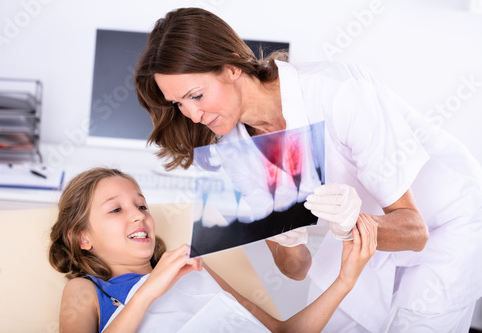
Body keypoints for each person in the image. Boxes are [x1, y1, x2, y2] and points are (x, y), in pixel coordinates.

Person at [134, 7, 482, 332]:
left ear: (231, 67)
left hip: (444, 223)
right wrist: (288, 241)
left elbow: (415, 231)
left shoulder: (337, 92)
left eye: (196, 95)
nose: (192, 115)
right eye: (179, 104)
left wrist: (353, 225)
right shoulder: (235, 152)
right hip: (361, 245)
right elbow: (295, 269)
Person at [48, 167, 377, 332]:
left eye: (141, 205)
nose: (138, 214)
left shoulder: (193, 270)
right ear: (82, 238)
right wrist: (147, 291)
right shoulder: (85, 291)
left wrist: (344, 281)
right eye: (115, 210)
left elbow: (281, 332)